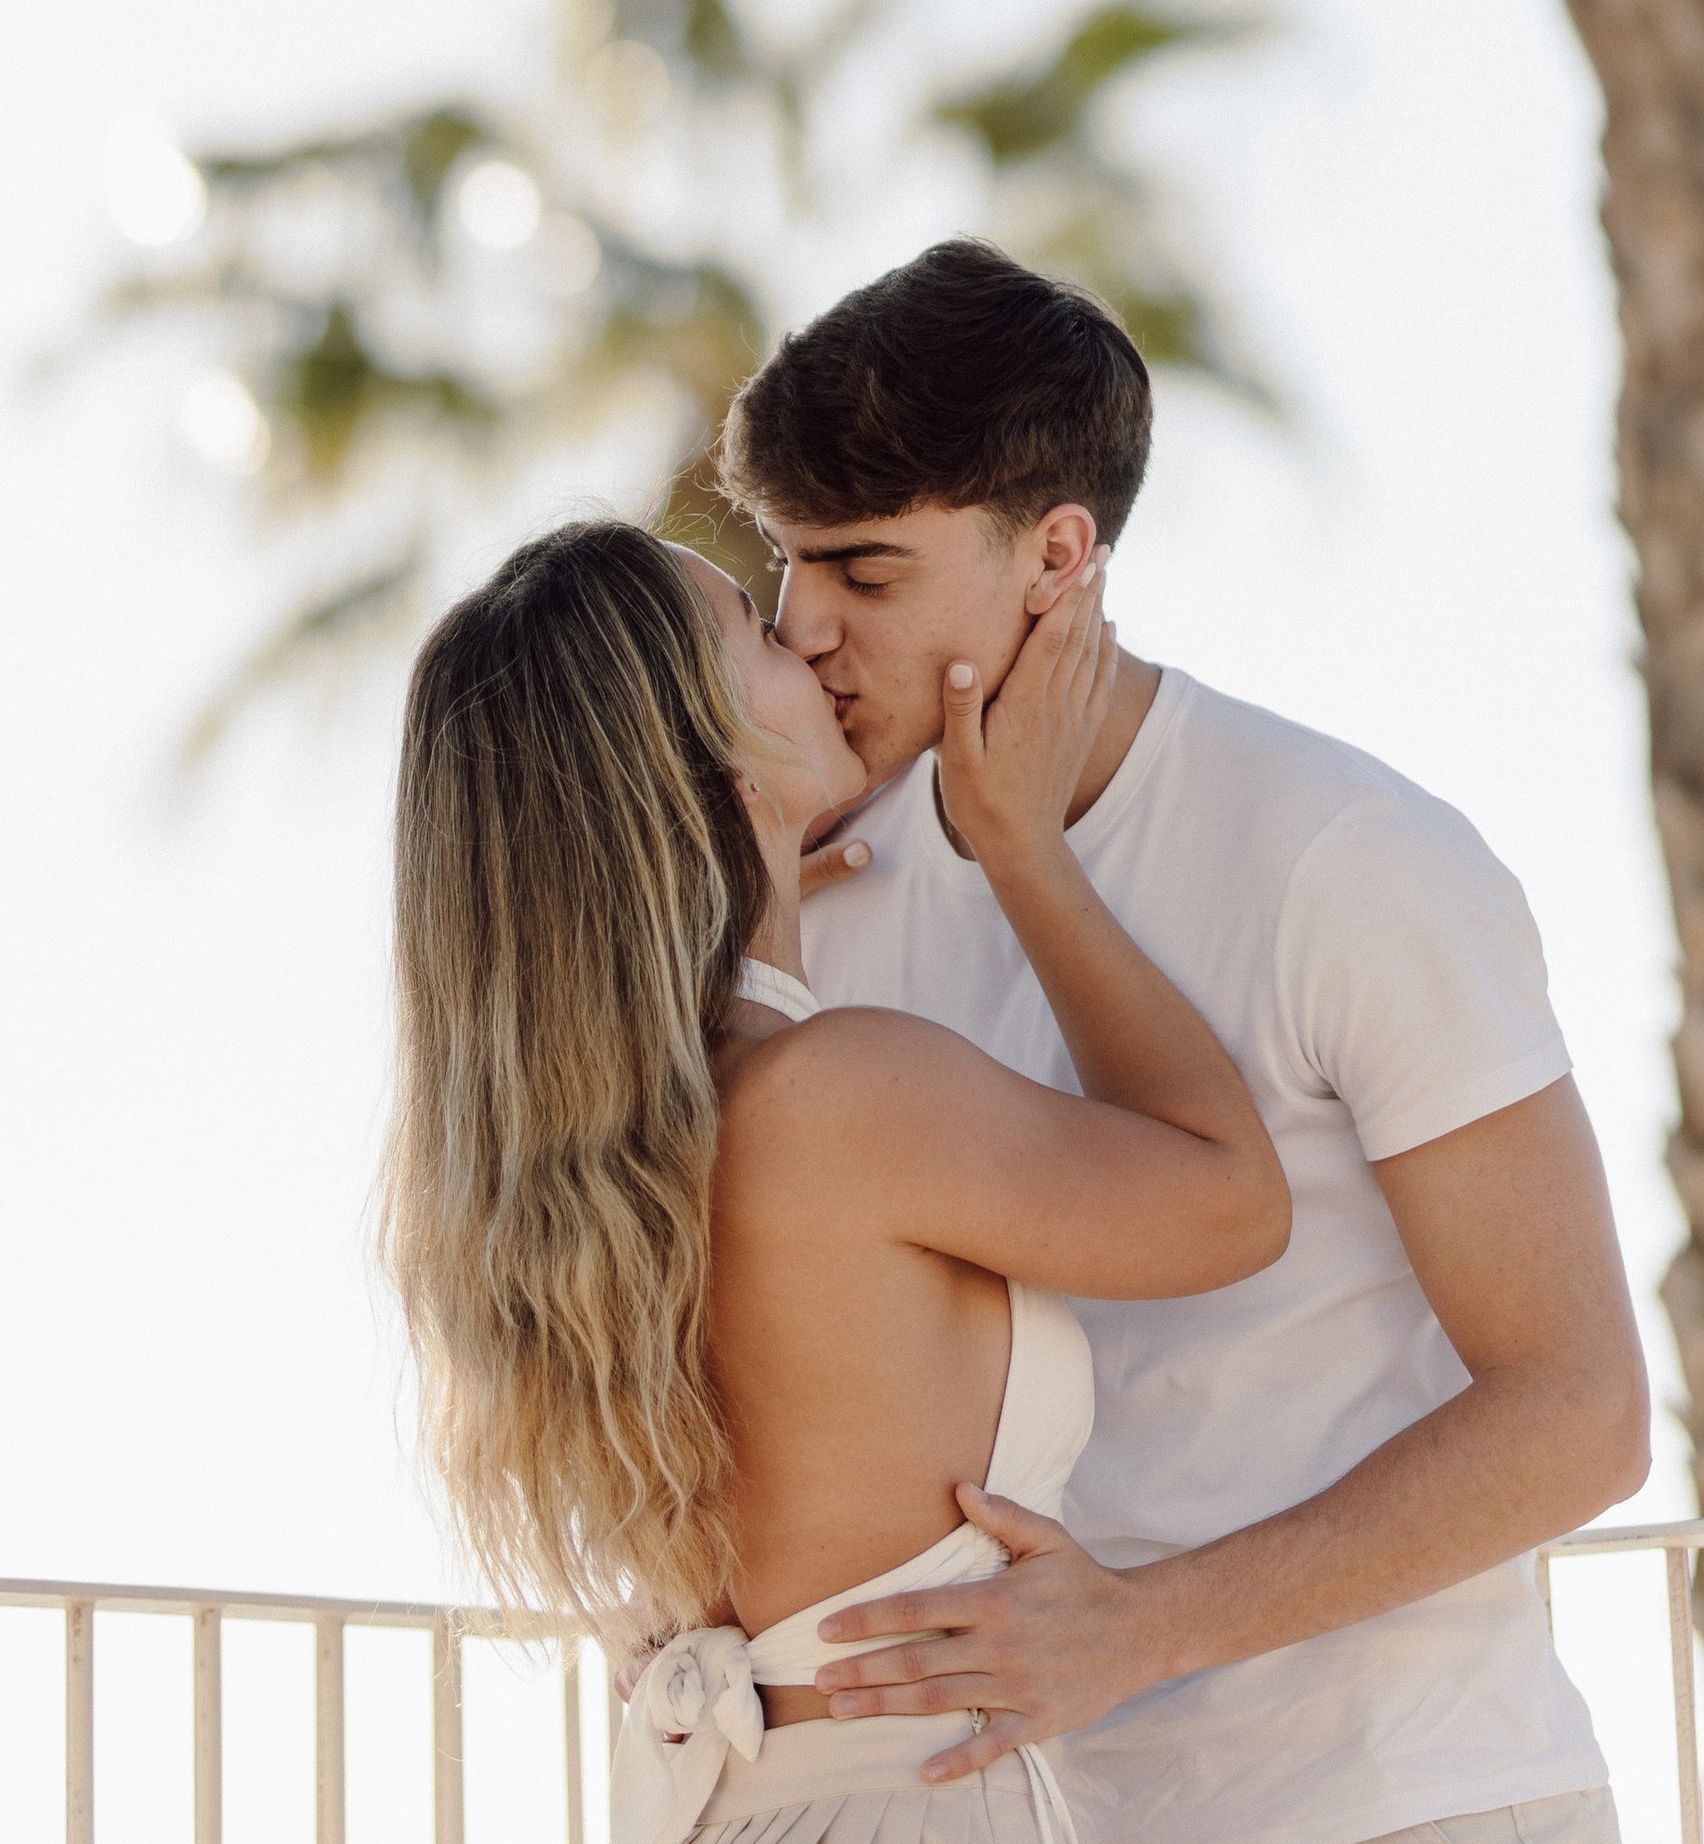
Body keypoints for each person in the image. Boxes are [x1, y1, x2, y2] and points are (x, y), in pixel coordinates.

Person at [724, 236, 1652, 1844]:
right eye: (786, 566)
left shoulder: (1347, 857)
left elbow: (1581, 1411)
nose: (803, 627)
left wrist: (1145, 1631)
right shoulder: (837, 898)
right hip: (1039, 1813)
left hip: (1406, 1797)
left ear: (1055, 555)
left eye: (866, 576)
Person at [378, 511, 1289, 1844]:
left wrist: (745, 916)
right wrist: (1023, 847)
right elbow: (1232, 1200)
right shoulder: (842, 1098)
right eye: (756, 629)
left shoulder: (599, 1165)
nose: (807, 635)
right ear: (707, 756)